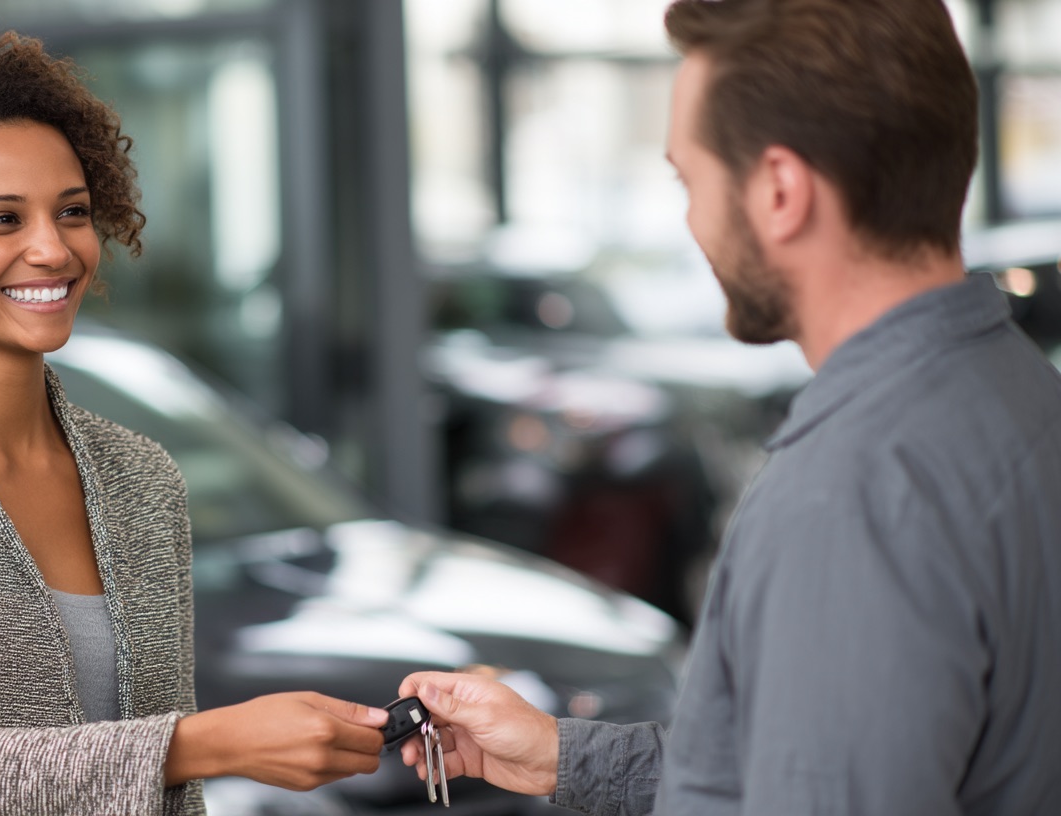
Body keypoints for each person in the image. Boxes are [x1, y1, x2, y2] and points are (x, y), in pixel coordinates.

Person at [398, 1, 1061, 814]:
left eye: (690, 179)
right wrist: (557, 758)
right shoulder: (1017, 395)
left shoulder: (849, 493)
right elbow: (805, 759)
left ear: (780, 190)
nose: (691, 220)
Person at [0, 23, 386, 816]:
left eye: (71, 212)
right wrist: (213, 742)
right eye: (2, 220)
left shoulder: (143, 478)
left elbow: (170, 797)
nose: (52, 249)